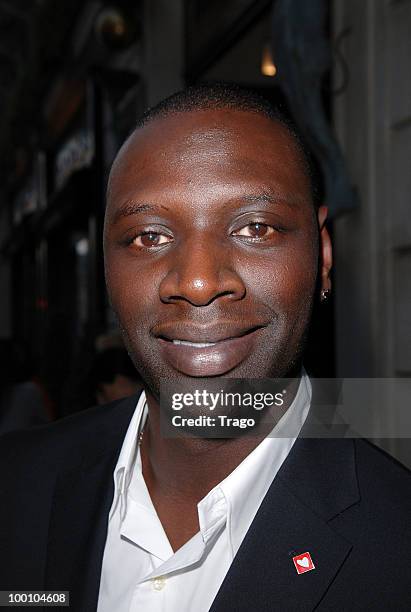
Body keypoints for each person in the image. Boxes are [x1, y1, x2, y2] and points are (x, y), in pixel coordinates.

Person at [0, 84, 410, 611]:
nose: (196, 282)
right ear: (106, 267)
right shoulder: (15, 487)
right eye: (149, 236)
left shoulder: (396, 555)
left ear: (322, 254)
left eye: (255, 228)